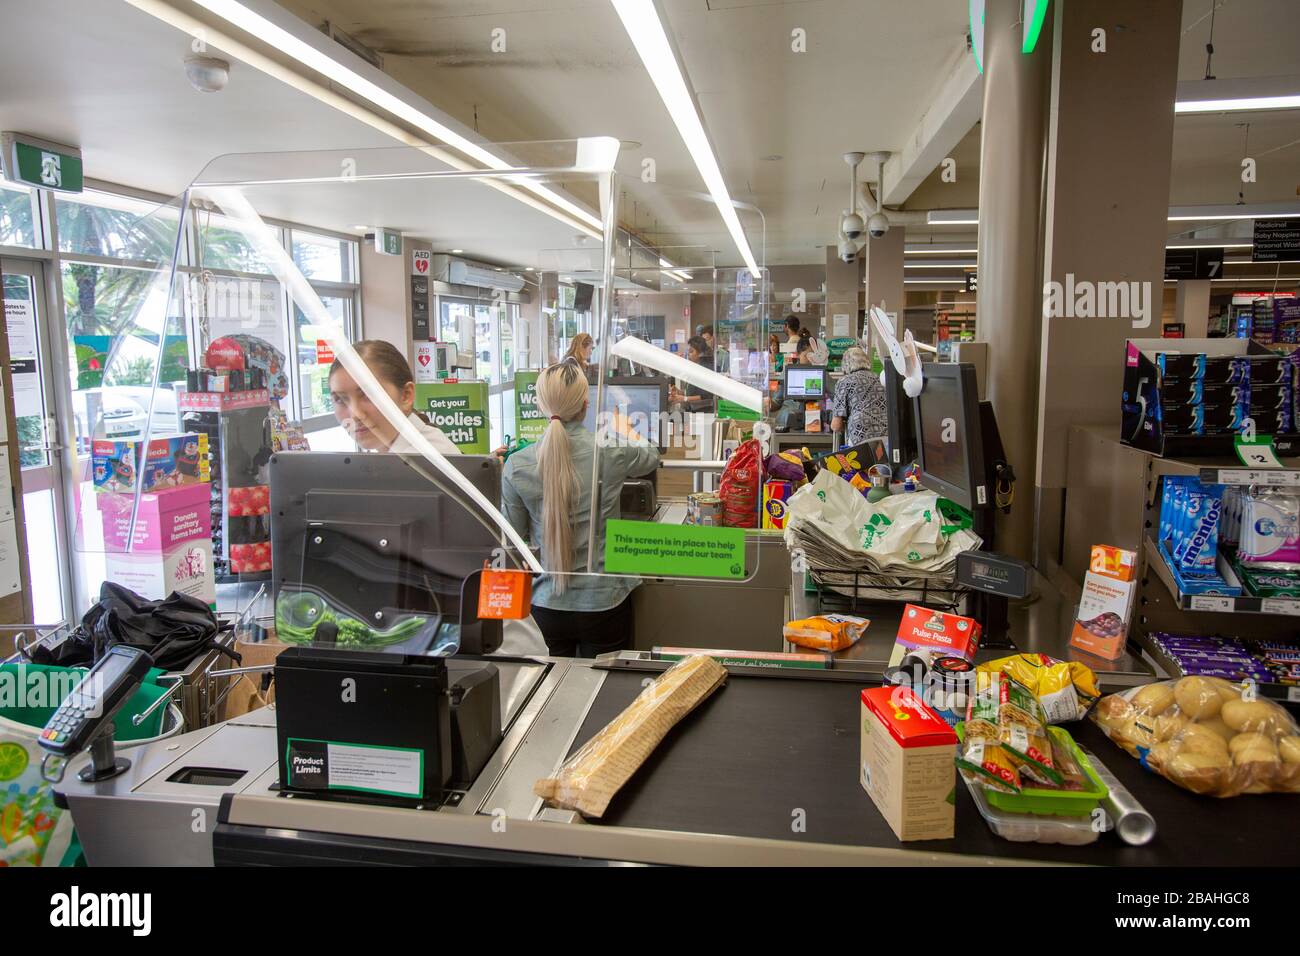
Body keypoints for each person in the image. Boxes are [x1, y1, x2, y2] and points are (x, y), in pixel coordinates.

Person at [501, 359, 661, 657]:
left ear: (540, 405)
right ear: (586, 405)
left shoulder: (516, 464)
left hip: (545, 605)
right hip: (603, 603)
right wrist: (626, 430)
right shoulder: (610, 450)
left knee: (550, 694)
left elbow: (513, 543)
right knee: (601, 692)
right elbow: (651, 456)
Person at [329, 340, 459, 455]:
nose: (355, 415)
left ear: (406, 395)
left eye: (369, 395)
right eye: (340, 399)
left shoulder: (425, 461)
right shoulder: (394, 456)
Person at [831, 345, 888, 446]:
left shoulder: (844, 381)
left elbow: (836, 425)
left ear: (845, 365)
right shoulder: (880, 379)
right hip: (886, 436)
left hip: (860, 435)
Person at [669, 335, 716, 411]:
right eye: (688, 351)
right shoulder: (694, 368)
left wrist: (685, 399)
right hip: (693, 410)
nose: (688, 354)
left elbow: (706, 395)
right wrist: (679, 392)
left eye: (691, 351)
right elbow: (692, 392)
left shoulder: (705, 369)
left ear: (700, 353)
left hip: (703, 411)